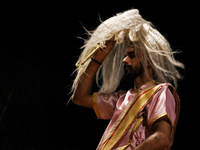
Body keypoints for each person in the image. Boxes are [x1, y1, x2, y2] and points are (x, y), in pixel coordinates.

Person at [71, 9, 184, 150]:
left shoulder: (160, 92)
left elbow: (162, 138)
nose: (124, 60)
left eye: (131, 55)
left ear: (149, 61)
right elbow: (79, 98)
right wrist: (97, 59)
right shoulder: (122, 99)